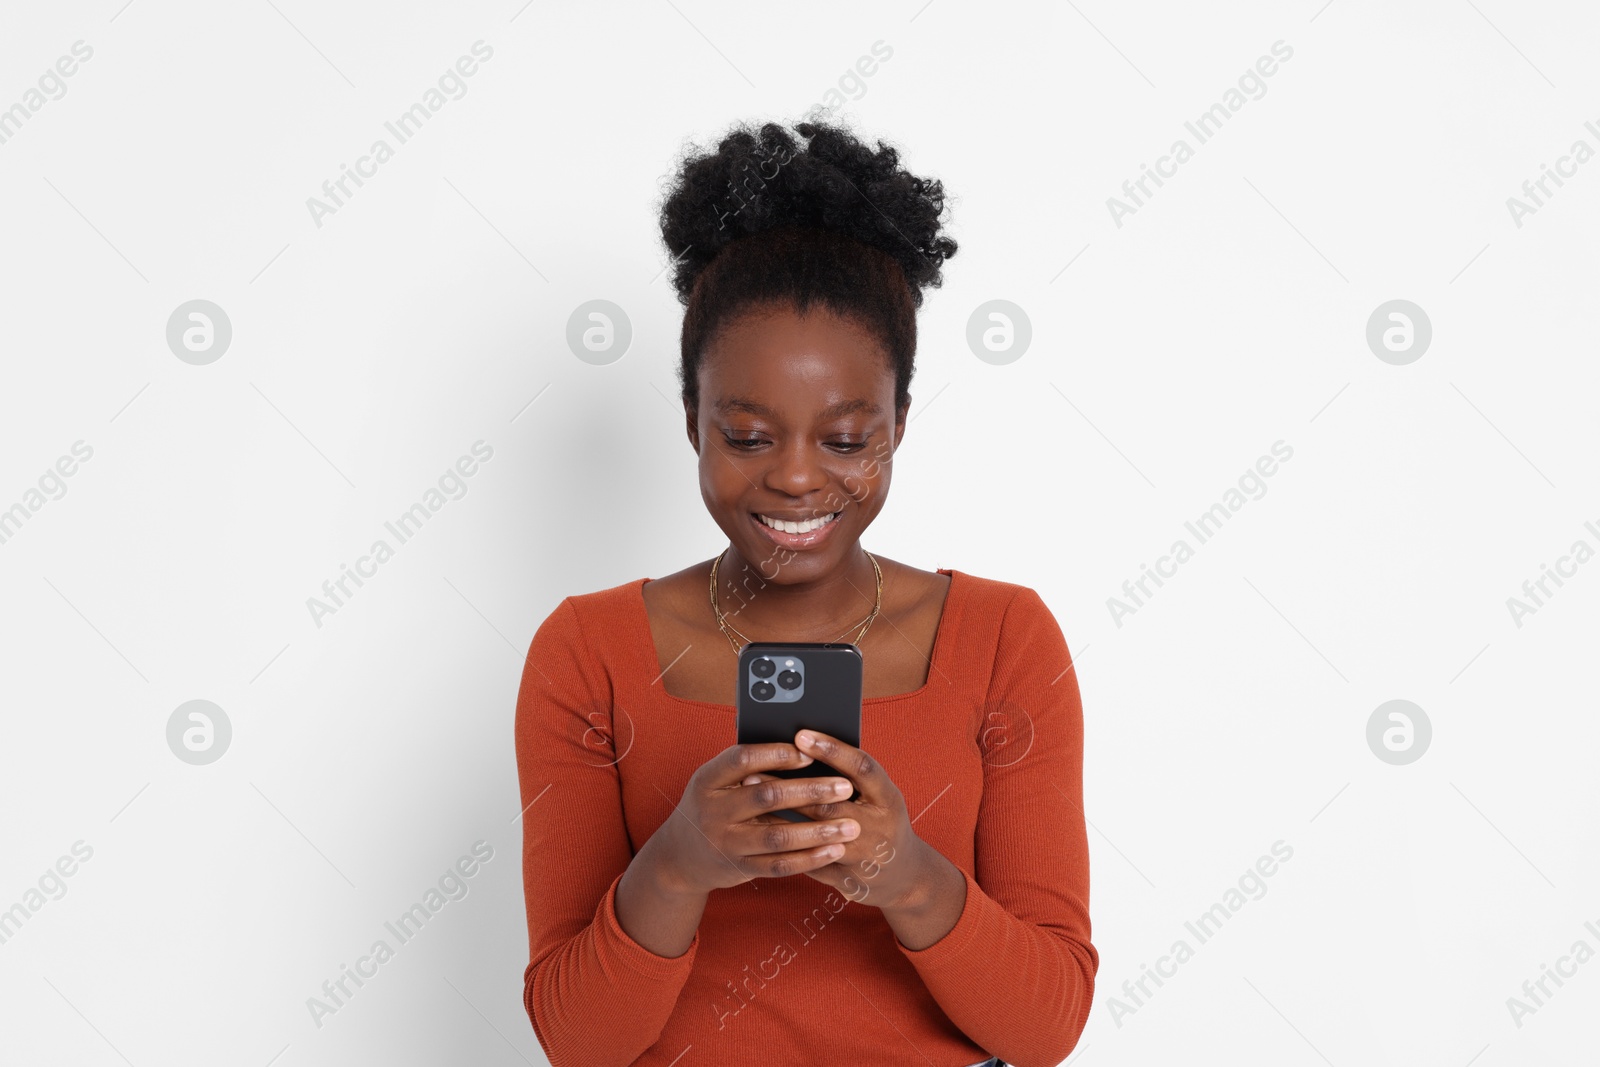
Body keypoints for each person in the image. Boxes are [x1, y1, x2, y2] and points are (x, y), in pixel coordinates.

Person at [514, 117, 1096, 1067]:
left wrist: (907, 877)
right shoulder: (588, 654)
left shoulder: (1003, 638)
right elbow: (579, 1042)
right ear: (692, 421)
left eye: (843, 438)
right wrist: (678, 864)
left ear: (899, 423)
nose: (793, 478)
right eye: (746, 436)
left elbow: (1046, 1028)